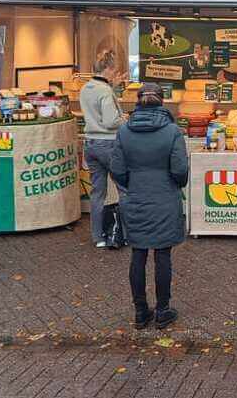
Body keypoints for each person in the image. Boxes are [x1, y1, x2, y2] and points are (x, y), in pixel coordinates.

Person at [109, 83, 188, 330]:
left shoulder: (124, 131)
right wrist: (173, 184)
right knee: (163, 254)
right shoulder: (172, 131)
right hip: (165, 198)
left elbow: (117, 169)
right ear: (162, 101)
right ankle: (163, 310)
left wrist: (132, 184)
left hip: (135, 198)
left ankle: (140, 311)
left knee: (138, 253)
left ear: (138, 101)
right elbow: (180, 170)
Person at [80, 50, 127, 248]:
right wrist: (124, 119)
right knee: (124, 188)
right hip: (108, 144)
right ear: (108, 69)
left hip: (90, 143)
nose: (115, 74)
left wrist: (113, 87)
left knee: (97, 193)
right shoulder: (105, 91)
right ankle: (124, 233)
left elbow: (97, 107)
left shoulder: (86, 88)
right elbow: (110, 122)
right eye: (114, 71)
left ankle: (98, 237)